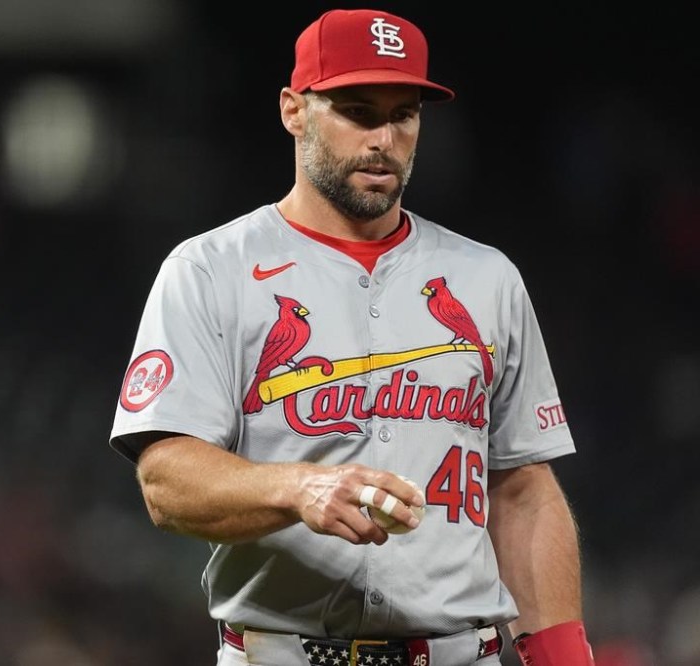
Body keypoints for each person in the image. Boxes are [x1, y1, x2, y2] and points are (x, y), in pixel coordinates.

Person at [109, 8, 595, 666]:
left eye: (405, 114)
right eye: (358, 111)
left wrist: (564, 656)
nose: (384, 138)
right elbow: (166, 480)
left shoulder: (487, 279)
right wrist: (298, 489)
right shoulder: (210, 270)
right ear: (293, 110)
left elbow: (523, 489)